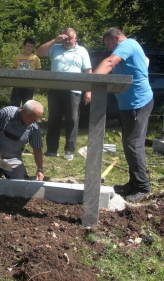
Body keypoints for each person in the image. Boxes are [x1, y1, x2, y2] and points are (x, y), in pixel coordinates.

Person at [93, 27, 154, 203]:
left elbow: (110, 62)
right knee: (129, 144)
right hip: (130, 105)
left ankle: (142, 187)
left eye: (110, 44)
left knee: (133, 144)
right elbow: (146, 60)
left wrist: (90, 82)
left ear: (117, 38)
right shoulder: (131, 48)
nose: (110, 49)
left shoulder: (127, 44)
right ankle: (134, 183)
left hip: (138, 103)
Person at [37, 28, 92, 161]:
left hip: (74, 90)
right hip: (55, 89)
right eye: (65, 38)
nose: (67, 41)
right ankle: (51, 150)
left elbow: (88, 71)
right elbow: (39, 52)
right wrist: (55, 40)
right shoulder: (55, 47)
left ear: (75, 39)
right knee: (53, 119)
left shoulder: (82, 51)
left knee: (72, 119)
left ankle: (69, 150)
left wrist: (89, 91)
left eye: (70, 38)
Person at [0, 100, 45, 181]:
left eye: (37, 119)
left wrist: (40, 169)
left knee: (22, 184)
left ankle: (2, 170)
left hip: (14, 158)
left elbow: (37, 148)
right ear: (23, 112)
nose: (34, 122)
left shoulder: (34, 127)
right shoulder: (6, 113)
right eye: (32, 118)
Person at [10, 38, 41, 107]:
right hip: (18, 84)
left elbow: (38, 71)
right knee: (14, 103)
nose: (29, 48)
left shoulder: (36, 58)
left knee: (27, 105)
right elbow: (14, 70)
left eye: (31, 46)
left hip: (29, 85)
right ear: (24, 46)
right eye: (28, 46)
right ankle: (13, 117)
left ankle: (25, 117)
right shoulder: (17, 57)